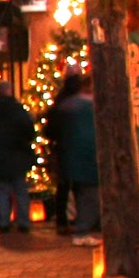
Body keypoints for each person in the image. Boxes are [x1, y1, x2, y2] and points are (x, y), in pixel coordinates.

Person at [0, 81, 36, 233]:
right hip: (17, 155)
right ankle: (23, 222)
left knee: (1, 191)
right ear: (9, 91)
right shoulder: (17, 110)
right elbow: (29, 131)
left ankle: (4, 223)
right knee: (20, 190)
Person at [55, 74, 102, 245]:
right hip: (86, 162)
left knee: (83, 196)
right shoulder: (88, 109)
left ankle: (82, 230)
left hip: (72, 160)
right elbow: (89, 138)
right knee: (90, 198)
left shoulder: (68, 105)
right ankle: (82, 231)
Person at [43, 72, 83, 232]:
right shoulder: (77, 105)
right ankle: (79, 219)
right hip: (73, 150)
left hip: (63, 149)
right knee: (78, 186)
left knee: (64, 187)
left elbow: (50, 130)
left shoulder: (59, 105)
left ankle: (62, 220)